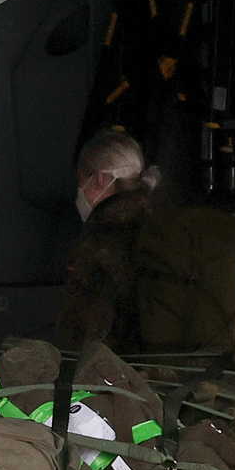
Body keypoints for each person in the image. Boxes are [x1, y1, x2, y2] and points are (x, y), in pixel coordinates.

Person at [58, 130, 164, 351]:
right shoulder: (157, 221)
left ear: (100, 178)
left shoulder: (104, 235)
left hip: (116, 368)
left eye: (81, 181)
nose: (80, 192)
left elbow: (87, 324)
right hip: (160, 362)